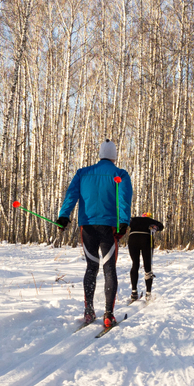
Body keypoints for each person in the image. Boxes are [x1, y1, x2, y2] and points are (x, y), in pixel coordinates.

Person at [56, 139, 133, 329]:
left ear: (100, 154)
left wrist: (63, 216)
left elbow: (71, 195)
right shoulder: (120, 174)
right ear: (114, 156)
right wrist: (124, 222)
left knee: (91, 267)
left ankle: (89, 311)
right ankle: (108, 314)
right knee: (109, 269)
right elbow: (124, 199)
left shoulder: (83, 173)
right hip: (110, 228)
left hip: (88, 227)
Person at [127, 212, 164, 302]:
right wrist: (156, 228)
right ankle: (148, 293)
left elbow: (124, 222)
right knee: (147, 266)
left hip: (133, 238)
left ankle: (134, 292)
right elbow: (161, 226)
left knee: (135, 264)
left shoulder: (133, 219)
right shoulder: (150, 221)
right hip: (146, 239)